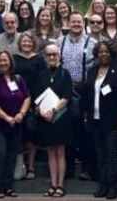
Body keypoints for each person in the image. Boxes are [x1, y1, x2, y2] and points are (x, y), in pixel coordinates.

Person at [82, 42, 117, 200]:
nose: (103, 54)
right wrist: (86, 114)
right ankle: (102, 185)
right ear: (96, 54)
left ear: (111, 53)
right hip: (95, 119)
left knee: (111, 154)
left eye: (106, 51)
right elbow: (87, 95)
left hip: (113, 120)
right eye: (100, 52)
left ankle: (112, 187)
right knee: (100, 154)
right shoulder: (92, 71)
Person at [0, 51, 31, 199]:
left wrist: (21, 114)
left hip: (15, 124)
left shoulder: (18, 79)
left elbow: (27, 97)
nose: (3, 63)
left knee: (11, 156)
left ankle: (7, 187)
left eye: (5, 60)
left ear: (10, 62)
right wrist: (5, 117)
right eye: (0, 61)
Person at [57, 11, 96, 181]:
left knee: (85, 130)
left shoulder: (92, 42)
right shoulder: (60, 41)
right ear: (69, 23)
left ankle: (87, 168)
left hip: (84, 90)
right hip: (65, 90)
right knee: (67, 130)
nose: (76, 25)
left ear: (83, 23)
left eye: (79, 22)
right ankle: (69, 167)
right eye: (73, 22)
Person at [33, 44, 73, 197]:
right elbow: (36, 97)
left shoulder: (65, 74)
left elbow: (67, 96)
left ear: (59, 56)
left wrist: (54, 110)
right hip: (45, 118)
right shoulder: (41, 74)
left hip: (60, 117)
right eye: (49, 54)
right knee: (50, 152)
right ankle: (53, 184)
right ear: (45, 56)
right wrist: (41, 112)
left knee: (60, 152)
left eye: (55, 54)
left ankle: (60, 185)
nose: (52, 57)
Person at [13, 33, 47, 180]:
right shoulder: (14, 58)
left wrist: (39, 101)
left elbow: (43, 79)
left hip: (34, 100)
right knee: (18, 134)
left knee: (32, 135)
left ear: (33, 43)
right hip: (17, 100)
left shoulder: (39, 59)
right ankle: (20, 166)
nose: (26, 44)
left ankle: (31, 166)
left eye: (29, 41)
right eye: (24, 41)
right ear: (20, 43)